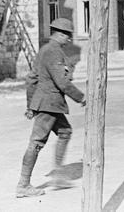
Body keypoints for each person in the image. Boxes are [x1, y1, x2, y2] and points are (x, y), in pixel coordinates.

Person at [17, 17, 86, 198]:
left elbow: (31, 79)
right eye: (68, 36)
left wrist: (31, 105)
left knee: (65, 132)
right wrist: (81, 97)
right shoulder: (54, 52)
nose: (69, 40)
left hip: (46, 103)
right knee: (37, 142)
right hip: (50, 104)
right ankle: (23, 185)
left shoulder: (44, 50)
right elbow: (62, 82)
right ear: (60, 34)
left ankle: (57, 175)